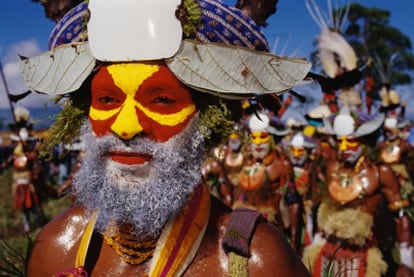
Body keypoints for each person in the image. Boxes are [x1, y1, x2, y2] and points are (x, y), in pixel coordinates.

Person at [22, 0, 312, 276]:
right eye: (107, 99)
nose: (126, 127)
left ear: (208, 120)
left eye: (161, 100)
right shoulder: (57, 248)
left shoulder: (256, 262)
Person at [302, 106, 413, 277]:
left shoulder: (380, 172)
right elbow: (325, 209)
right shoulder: (333, 168)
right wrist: (315, 244)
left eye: (351, 141)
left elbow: (400, 216)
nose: (344, 147)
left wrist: (406, 262)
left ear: (365, 141)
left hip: (362, 255)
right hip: (327, 250)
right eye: (340, 141)